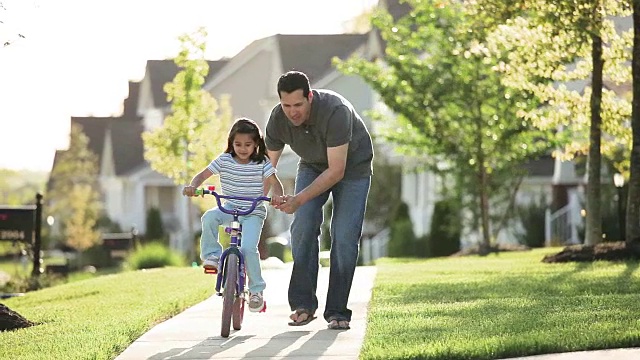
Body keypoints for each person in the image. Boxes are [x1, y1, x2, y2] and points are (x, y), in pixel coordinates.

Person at [265, 70, 374, 330]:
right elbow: (266, 167)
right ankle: (303, 305)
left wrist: (299, 198)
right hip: (313, 165)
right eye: (286, 105)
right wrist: (272, 188)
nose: (292, 112)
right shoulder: (278, 119)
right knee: (302, 226)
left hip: (353, 169)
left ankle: (338, 311)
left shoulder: (335, 111)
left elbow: (337, 170)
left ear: (310, 97)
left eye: (298, 105)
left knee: (344, 236)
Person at [183, 117, 284, 312]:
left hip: (253, 211)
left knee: (248, 249)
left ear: (256, 144)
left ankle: (256, 291)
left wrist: (278, 196)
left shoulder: (262, 162)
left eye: (248, 144)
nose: (243, 148)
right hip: (229, 207)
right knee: (209, 217)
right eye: (238, 144)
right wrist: (193, 186)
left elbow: (275, 183)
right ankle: (212, 256)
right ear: (231, 143)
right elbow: (202, 175)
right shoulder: (224, 160)